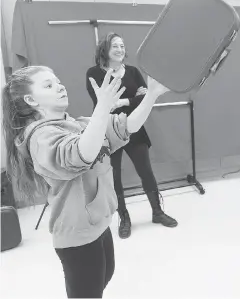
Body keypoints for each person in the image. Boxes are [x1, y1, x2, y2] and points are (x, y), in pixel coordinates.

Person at [2, 65, 170, 298]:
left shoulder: (77, 124)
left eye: (58, 80)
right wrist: (102, 109)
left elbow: (126, 126)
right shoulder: (40, 137)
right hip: (77, 236)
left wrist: (151, 94)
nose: (59, 86)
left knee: (104, 277)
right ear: (31, 99)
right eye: (48, 85)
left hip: (99, 224)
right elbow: (81, 154)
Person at [86, 33, 177, 240]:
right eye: (115, 46)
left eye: (122, 45)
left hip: (133, 128)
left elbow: (145, 98)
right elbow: (102, 104)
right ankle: (124, 218)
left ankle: (157, 212)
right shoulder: (94, 73)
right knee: (114, 176)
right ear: (105, 50)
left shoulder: (134, 71)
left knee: (146, 171)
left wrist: (123, 103)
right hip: (108, 131)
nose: (120, 49)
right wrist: (131, 99)